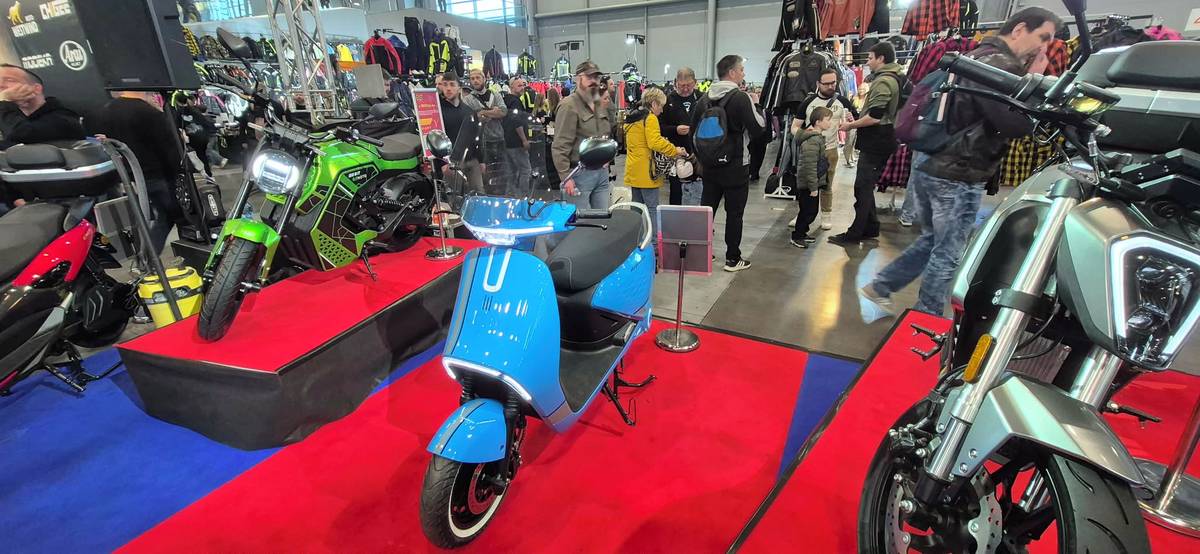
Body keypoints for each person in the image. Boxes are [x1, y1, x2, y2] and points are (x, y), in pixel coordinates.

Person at [860, 7, 1058, 316]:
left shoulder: (974, 56)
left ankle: (882, 286)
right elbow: (1014, 123)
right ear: (1019, 29)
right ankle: (927, 318)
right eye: (1043, 37)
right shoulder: (1000, 66)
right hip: (958, 172)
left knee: (933, 241)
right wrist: (1036, 79)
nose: (1044, 47)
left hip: (933, 162)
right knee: (948, 252)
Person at [689, 54, 765, 272]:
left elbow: (693, 134)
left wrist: (703, 158)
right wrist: (757, 106)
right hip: (736, 165)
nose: (743, 73)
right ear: (731, 73)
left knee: (707, 211)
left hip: (710, 166)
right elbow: (759, 129)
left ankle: (701, 254)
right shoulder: (741, 98)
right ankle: (733, 258)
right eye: (741, 70)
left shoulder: (704, 100)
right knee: (734, 213)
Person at [85, 91, 184, 254]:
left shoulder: (102, 112)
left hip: (126, 176)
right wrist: (181, 170)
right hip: (157, 175)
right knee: (174, 214)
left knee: (145, 218)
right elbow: (170, 148)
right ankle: (150, 258)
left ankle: (145, 257)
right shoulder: (149, 113)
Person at [829, 42, 906, 245]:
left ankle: (856, 232)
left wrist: (850, 125)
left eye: (870, 58)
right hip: (882, 138)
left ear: (881, 58)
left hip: (876, 139)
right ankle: (871, 227)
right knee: (866, 186)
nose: (868, 61)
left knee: (862, 187)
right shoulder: (896, 76)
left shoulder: (884, 81)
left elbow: (874, 116)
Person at [796, 68, 858, 231]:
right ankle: (802, 215)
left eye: (833, 83)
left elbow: (853, 122)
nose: (831, 86)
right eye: (827, 83)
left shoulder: (843, 101)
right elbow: (795, 126)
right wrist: (806, 134)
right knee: (805, 184)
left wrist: (850, 123)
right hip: (810, 148)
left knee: (827, 184)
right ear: (818, 83)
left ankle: (826, 214)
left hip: (830, 149)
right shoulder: (808, 102)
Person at [622, 88, 687, 240]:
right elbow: (654, 142)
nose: (662, 110)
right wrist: (674, 150)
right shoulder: (650, 118)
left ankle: (634, 240)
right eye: (661, 106)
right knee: (652, 208)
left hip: (634, 169)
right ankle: (656, 244)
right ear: (653, 103)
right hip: (647, 171)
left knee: (636, 208)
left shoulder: (632, 117)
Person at [552, 61, 613, 210]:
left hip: (601, 173)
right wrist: (566, 177)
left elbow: (605, 132)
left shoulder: (598, 103)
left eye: (596, 78)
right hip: (579, 174)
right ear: (578, 78)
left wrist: (607, 157)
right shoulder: (569, 106)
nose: (594, 81)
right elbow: (560, 145)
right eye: (589, 77)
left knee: (602, 218)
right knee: (580, 221)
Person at [0, 64, 85, 150]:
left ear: (36, 89)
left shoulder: (63, 119)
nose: (1, 85)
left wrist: (4, 102)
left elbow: (21, 135)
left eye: (10, 80)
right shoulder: (7, 118)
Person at [790, 107, 833, 248]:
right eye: (828, 120)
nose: (830, 123)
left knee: (810, 210)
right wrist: (813, 187)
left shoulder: (816, 138)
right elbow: (810, 165)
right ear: (818, 122)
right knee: (807, 211)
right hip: (808, 184)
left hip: (812, 182)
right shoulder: (813, 140)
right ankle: (797, 236)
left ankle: (802, 233)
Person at [660, 67, 702, 205]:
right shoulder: (667, 101)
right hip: (676, 154)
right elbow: (660, 128)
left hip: (699, 154)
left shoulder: (702, 99)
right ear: (675, 83)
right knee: (676, 193)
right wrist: (675, 129)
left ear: (695, 82)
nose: (685, 89)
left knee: (699, 193)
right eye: (681, 85)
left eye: (688, 85)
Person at [437, 72, 484, 193]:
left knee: (478, 194)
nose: (448, 88)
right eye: (445, 84)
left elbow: (477, 137)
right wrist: (441, 164)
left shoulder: (469, 111)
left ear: (459, 87)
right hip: (451, 163)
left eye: (452, 84)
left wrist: (482, 160)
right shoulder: (437, 112)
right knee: (455, 197)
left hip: (472, 160)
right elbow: (435, 140)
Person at [461, 69, 507, 194]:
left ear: (484, 79)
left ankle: (502, 196)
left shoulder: (495, 95)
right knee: (486, 174)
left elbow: (503, 112)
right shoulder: (467, 99)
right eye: (472, 78)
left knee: (502, 173)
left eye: (478, 77)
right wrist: (492, 111)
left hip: (499, 138)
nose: (475, 81)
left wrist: (483, 112)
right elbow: (471, 118)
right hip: (481, 142)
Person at [176, 94, 223, 177]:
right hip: (201, 137)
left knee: (192, 158)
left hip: (191, 139)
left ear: (177, 102)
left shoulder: (178, 113)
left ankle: (197, 174)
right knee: (203, 156)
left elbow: (178, 126)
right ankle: (208, 174)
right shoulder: (194, 110)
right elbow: (206, 123)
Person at [501, 76, 533, 197]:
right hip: (516, 142)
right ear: (511, 87)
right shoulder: (515, 102)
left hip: (507, 141)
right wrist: (524, 139)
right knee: (525, 170)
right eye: (519, 85)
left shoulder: (505, 100)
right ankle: (524, 196)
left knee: (512, 171)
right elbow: (516, 121)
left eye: (523, 85)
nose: (522, 87)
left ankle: (510, 195)